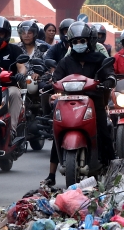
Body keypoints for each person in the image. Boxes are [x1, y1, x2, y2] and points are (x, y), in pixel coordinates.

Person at [47, 22, 114, 185]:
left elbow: (109, 73)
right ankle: (51, 174)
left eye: (82, 41)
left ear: (89, 41)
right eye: (75, 42)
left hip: (94, 100)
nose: (79, 45)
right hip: (68, 101)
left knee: (103, 132)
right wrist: (51, 82)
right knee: (57, 130)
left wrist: (109, 80)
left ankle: (110, 166)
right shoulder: (66, 61)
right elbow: (57, 77)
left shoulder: (99, 59)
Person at [0, 17, 27, 137]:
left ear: (7, 34)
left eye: (1, 33)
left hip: (9, 87)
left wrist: (21, 74)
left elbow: (21, 66)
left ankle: (12, 130)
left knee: (15, 93)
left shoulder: (14, 50)